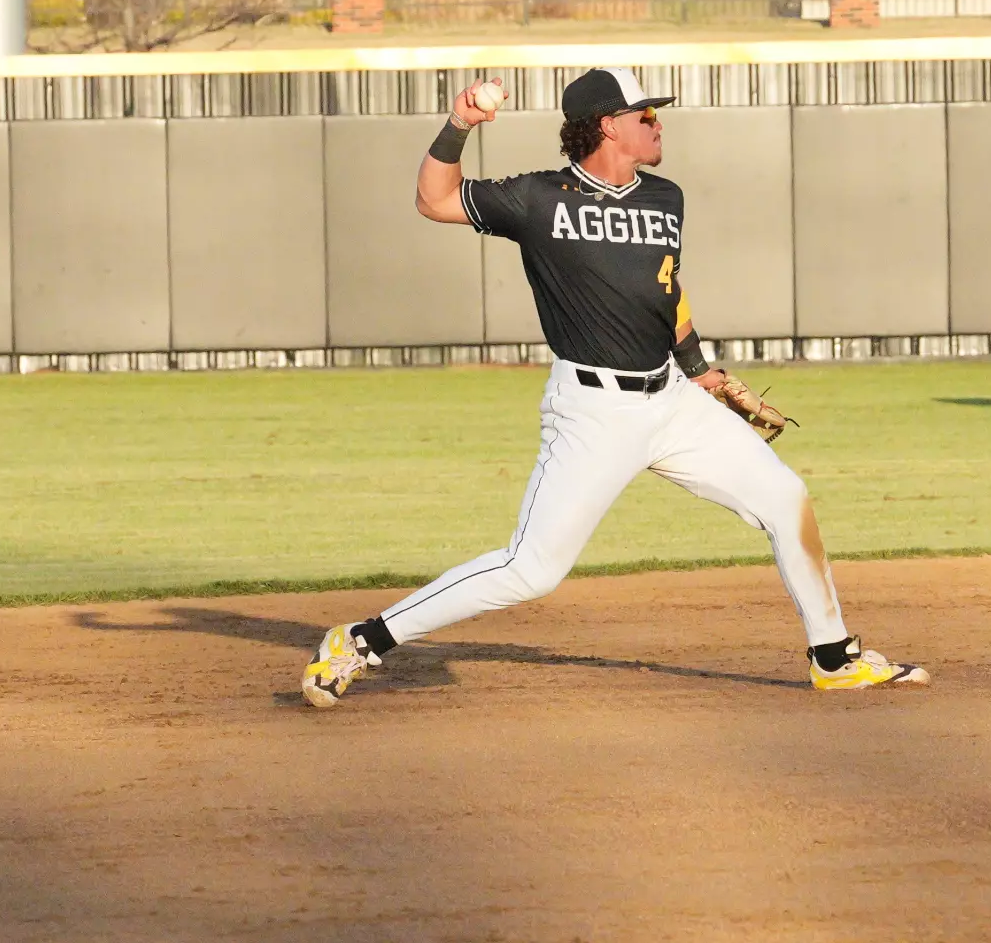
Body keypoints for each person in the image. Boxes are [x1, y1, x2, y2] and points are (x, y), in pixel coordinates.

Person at [301, 67, 928, 708]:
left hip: (673, 401)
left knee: (786, 498)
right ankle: (361, 639)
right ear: (609, 125)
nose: (658, 122)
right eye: (646, 114)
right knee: (531, 569)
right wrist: (461, 124)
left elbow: (666, 289)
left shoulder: (665, 197)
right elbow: (434, 200)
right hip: (594, 411)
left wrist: (697, 366)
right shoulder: (538, 199)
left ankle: (834, 657)